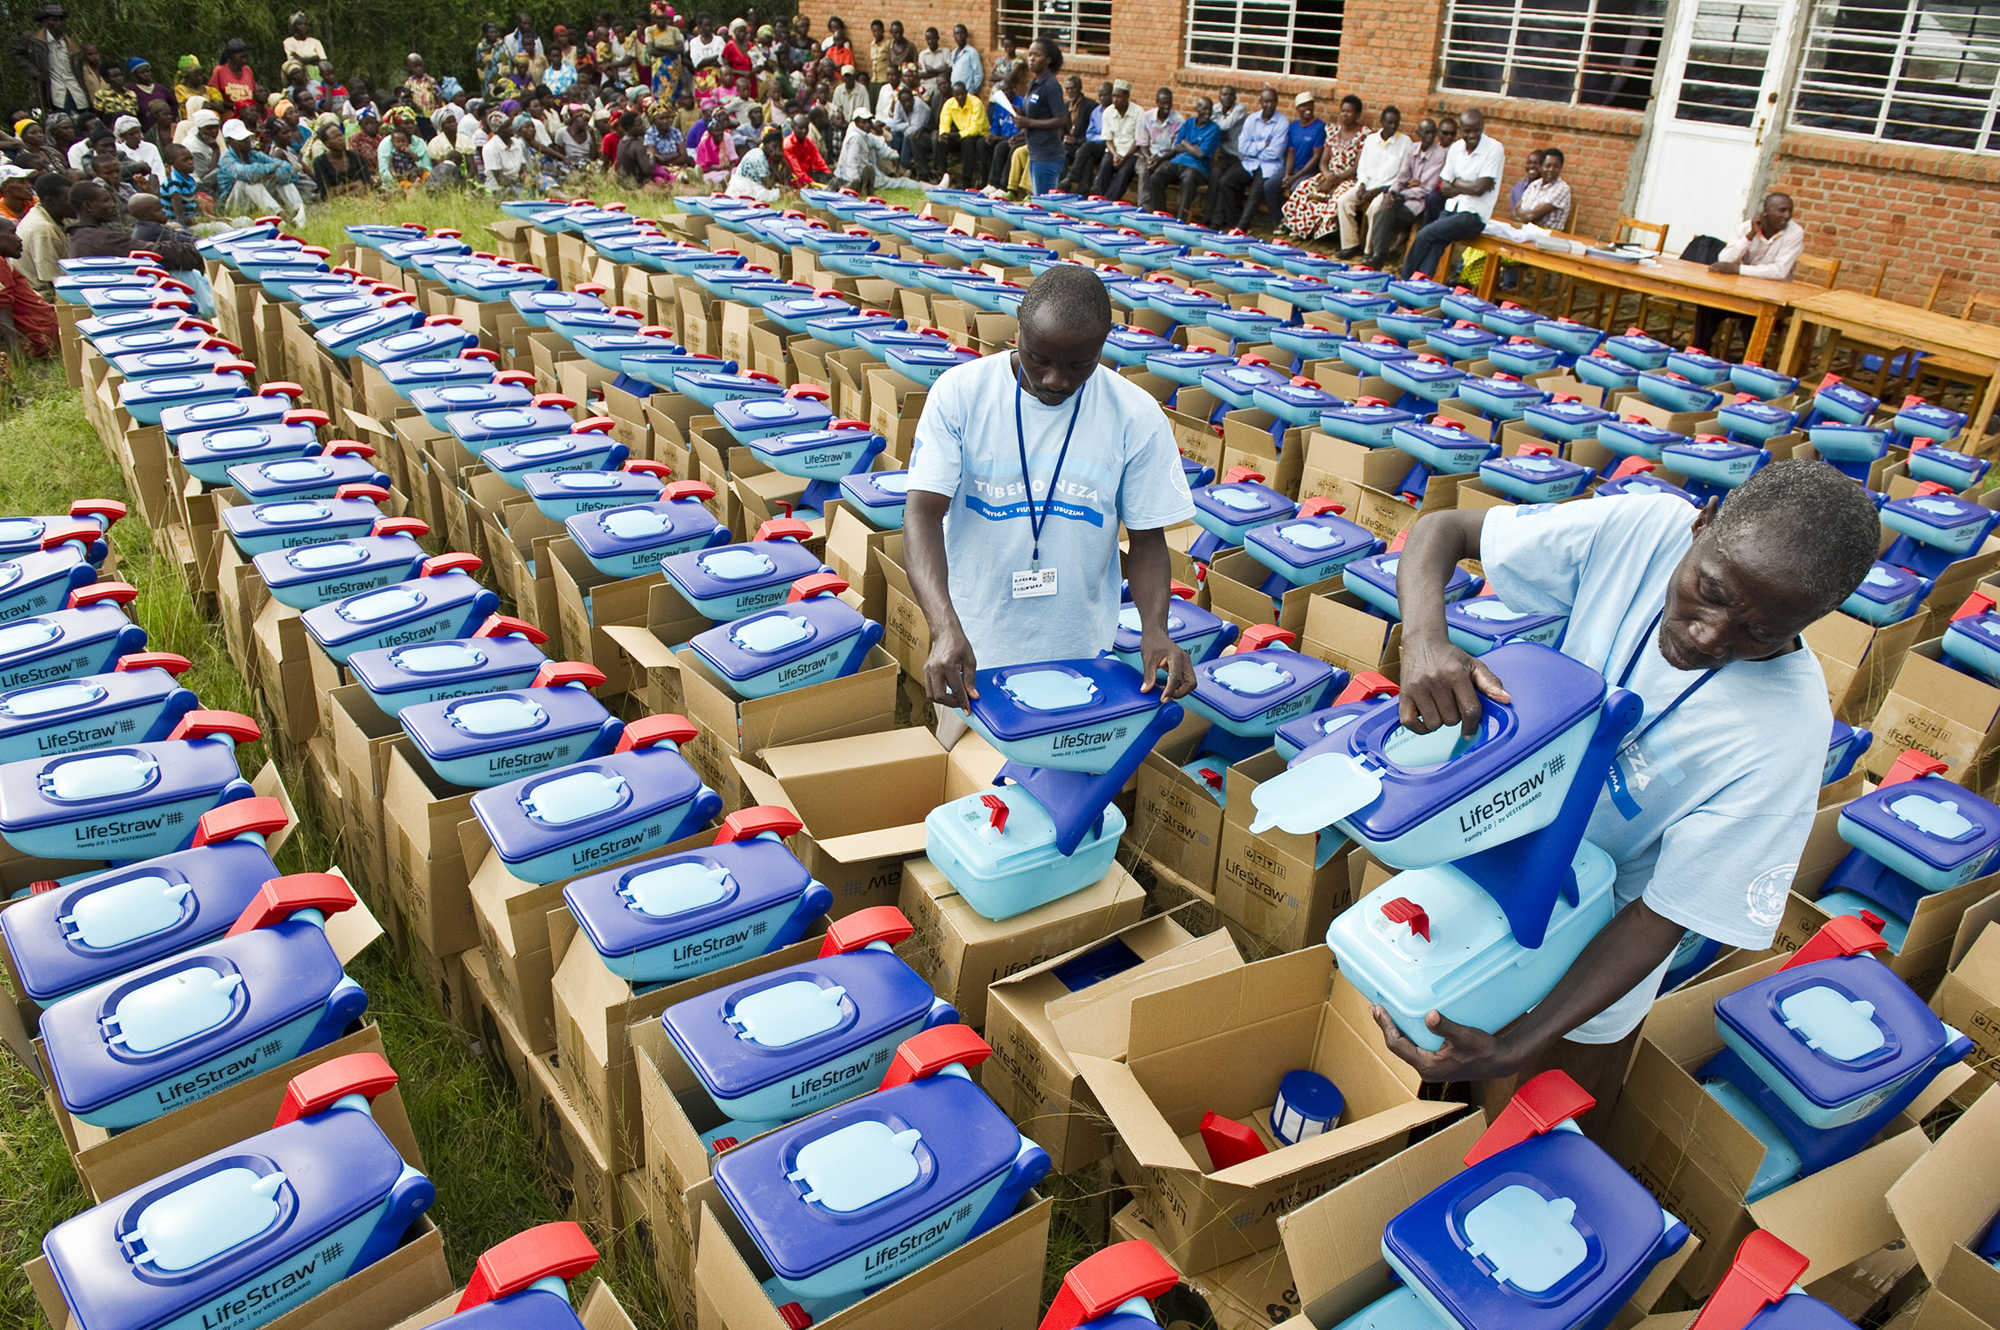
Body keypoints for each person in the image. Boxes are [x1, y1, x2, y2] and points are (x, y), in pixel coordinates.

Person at [1380, 463, 1879, 1127]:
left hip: (1593, 955)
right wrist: (1423, 641)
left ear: (1815, 619)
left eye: (1758, 634)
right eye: (1710, 591)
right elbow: (1442, 530)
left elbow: (1660, 916)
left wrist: (1520, 1044)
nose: (1709, 634)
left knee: (1528, 1130)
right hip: (1489, 868)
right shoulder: (1641, 529)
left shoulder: (1787, 734)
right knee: (1421, 1084)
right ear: (1702, 523)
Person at [905, 264, 1198, 753]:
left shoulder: (1136, 415)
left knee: (1060, 778)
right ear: (1018, 325)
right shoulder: (961, 395)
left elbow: (1147, 538)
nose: (1056, 380)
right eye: (1038, 358)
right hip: (972, 643)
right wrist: (943, 628)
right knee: (969, 778)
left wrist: (1155, 629)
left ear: (1104, 342)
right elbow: (921, 513)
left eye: (1079, 365)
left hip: (1079, 648)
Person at [1401, 107, 1503, 279]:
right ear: (1460, 130)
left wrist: (1455, 180)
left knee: (1424, 235)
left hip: (1473, 216)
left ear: (1482, 126)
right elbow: (1445, 188)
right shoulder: (1456, 148)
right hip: (1451, 209)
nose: (1472, 135)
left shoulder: (1494, 148)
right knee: (1435, 245)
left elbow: (1479, 189)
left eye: (1476, 130)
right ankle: (1418, 287)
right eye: (1467, 131)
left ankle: (1403, 281)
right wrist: (1467, 184)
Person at [1276, 93, 1362, 241]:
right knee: (1304, 188)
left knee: (1336, 197)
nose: (1344, 114)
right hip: (1327, 175)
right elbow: (1323, 161)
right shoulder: (1333, 132)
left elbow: (1356, 166)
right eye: (1343, 111)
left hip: (1348, 179)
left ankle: (1320, 231)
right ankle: (1300, 228)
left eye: (1349, 111)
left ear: (1357, 114)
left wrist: (1334, 180)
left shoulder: (1363, 135)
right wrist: (1328, 176)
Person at [1332, 104, 1408, 258]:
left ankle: (1369, 251)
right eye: (1389, 122)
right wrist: (1362, 184)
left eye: (1396, 123)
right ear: (1382, 122)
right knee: (1343, 201)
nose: (1393, 126)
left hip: (1386, 189)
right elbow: (1362, 167)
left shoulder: (1405, 143)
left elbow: (1402, 175)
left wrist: (1380, 190)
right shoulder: (1371, 140)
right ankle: (1350, 245)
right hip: (1367, 184)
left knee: (1374, 209)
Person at [1208, 85, 1284, 229]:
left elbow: (1275, 152)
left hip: (1269, 165)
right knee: (1225, 181)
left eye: (1272, 101)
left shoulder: (1282, 122)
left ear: (1277, 102)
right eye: (1266, 101)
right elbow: (1243, 147)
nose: (1269, 105)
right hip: (1249, 162)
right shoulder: (1252, 119)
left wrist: (1253, 148)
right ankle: (1233, 222)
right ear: (1260, 102)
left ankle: (1242, 228)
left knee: (1255, 191)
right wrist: (1263, 145)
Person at [1141, 94, 1218, 222]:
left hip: (1197, 166)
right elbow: (1177, 147)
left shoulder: (1214, 129)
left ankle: (1181, 220)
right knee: (1155, 177)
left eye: (1210, 109)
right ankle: (1161, 215)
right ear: (1197, 109)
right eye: (1204, 109)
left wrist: (1185, 143)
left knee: (1188, 180)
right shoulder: (1189, 123)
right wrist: (1160, 159)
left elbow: (1200, 154)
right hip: (1178, 161)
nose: (1208, 112)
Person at [215, 117, 305, 222]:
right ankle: (280, 215)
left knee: (282, 179)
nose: (247, 142)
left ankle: (299, 211)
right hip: (233, 204)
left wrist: (274, 173)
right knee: (248, 182)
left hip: (254, 201)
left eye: (247, 138)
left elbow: (287, 167)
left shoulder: (254, 154)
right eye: (241, 140)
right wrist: (270, 168)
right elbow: (242, 172)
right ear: (229, 142)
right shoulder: (226, 158)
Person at [10, 3, 88, 117]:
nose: (58, 23)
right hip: (56, 94)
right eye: (54, 20)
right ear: (45, 21)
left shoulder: (70, 42)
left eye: (60, 20)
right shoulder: (33, 40)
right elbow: (13, 52)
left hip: (78, 93)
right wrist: (34, 71)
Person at [1014, 37, 1067, 196]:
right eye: (1030, 54)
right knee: (1038, 200)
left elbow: (1062, 119)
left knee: (1043, 203)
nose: (1031, 59)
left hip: (1047, 155)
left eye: (1037, 55)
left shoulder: (1050, 85)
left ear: (1048, 60)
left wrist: (1028, 122)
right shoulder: (1035, 83)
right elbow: (1038, 114)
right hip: (1035, 152)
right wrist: (1021, 121)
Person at [0, 214, 55, 359]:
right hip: (43, 338)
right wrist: (19, 364)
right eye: (12, 233)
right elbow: (3, 314)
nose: (19, 239)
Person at [15, 172, 69, 296]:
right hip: (41, 296)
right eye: (68, 199)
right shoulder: (42, 229)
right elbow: (53, 281)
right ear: (50, 201)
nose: (75, 203)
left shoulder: (57, 216)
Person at [1131, 86, 1182, 203]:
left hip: (1167, 157)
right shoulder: (1146, 117)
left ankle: (1156, 207)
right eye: (1163, 103)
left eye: (1169, 103)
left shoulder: (1178, 120)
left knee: (1158, 174)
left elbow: (1175, 148)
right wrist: (1149, 158)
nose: (1166, 106)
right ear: (1157, 102)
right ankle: (1144, 206)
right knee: (1144, 171)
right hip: (1147, 154)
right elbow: (1143, 143)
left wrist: (1159, 160)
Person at [933, 79, 986, 185]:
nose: (960, 97)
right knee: (939, 140)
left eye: (962, 94)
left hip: (979, 135)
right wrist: (943, 134)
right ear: (953, 95)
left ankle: (966, 180)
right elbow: (944, 123)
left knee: (969, 141)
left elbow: (975, 128)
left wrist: (957, 134)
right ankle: (941, 176)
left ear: (966, 92)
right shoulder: (949, 103)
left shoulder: (976, 102)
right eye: (957, 95)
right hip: (961, 134)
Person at [1065, 80, 1111, 193]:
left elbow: (1111, 136)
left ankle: (1071, 177)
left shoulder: (1114, 112)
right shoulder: (1096, 111)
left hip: (1110, 146)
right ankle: (1082, 192)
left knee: (1087, 147)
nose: (1102, 98)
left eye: (1105, 95)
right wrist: (1100, 138)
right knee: (1089, 157)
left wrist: (1102, 138)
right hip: (1097, 145)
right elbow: (1090, 134)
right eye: (1100, 95)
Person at [1280, 91, 1327, 199]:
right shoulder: (1293, 127)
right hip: (1294, 169)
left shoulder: (1320, 127)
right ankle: (1277, 211)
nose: (1307, 108)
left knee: (1294, 189)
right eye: (1303, 105)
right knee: (1270, 185)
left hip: (1310, 171)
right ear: (1297, 109)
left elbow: (1316, 156)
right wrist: (1287, 174)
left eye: (1310, 104)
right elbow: (1290, 153)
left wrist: (1295, 177)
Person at [726, 123, 787, 200]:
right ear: (765, 145)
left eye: (779, 147)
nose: (776, 150)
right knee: (773, 195)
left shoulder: (763, 155)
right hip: (742, 186)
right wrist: (775, 163)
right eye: (774, 146)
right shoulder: (759, 156)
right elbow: (769, 185)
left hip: (750, 185)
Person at [130, 60, 176, 142]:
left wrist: (170, 118)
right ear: (134, 75)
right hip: (146, 132)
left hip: (167, 130)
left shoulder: (160, 88)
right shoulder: (131, 90)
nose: (146, 74)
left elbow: (174, 104)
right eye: (142, 72)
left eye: (147, 71)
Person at [888, 83, 930, 174]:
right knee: (894, 134)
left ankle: (905, 166)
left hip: (924, 130)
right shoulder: (899, 104)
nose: (907, 103)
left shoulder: (919, 105)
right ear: (900, 101)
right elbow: (894, 125)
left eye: (909, 100)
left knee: (908, 136)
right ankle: (893, 163)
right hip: (908, 128)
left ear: (912, 98)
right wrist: (908, 124)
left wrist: (905, 126)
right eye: (904, 101)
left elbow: (916, 127)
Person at [784, 111, 830, 184]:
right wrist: (814, 183)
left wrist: (828, 174)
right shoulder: (788, 144)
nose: (804, 131)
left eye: (806, 127)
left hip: (809, 174)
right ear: (793, 128)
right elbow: (797, 172)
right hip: (795, 178)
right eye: (800, 128)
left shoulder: (809, 140)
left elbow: (819, 161)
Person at [211, 39, 257, 110]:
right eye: (241, 57)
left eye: (246, 57)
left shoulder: (248, 70)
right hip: (229, 113)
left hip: (248, 113)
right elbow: (213, 97)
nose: (245, 60)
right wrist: (235, 107)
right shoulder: (219, 70)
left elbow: (254, 93)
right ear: (231, 56)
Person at [92, 58, 137, 122]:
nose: (119, 78)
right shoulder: (101, 95)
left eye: (120, 75)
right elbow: (98, 115)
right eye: (114, 76)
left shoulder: (131, 94)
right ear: (106, 79)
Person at [917, 27, 951, 102]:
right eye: (928, 39)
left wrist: (931, 71)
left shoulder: (945, 52)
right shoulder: (923, 54)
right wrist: (940, 71)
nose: (930, 41)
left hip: (941, 87)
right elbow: (921, 74)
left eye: (933, 39)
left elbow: (948, 70)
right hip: (926, 86)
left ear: (938, 38)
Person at [948, 23, 982, 98]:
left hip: (968, 92)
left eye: (962, 33)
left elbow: (978, 73)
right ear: (954, 36)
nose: (959, 36)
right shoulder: (953, 53)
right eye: (957, 34)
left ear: (966, 35)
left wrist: (973, 90)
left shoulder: (972, 52)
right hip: (956, 93)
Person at [867, 19, 890, 85]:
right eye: (874, 31)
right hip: (874, 79)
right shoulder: (872, 44)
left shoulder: (888, 44)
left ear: (883, 31)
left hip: (884, 79)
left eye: (878, 31)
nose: (876, 33)